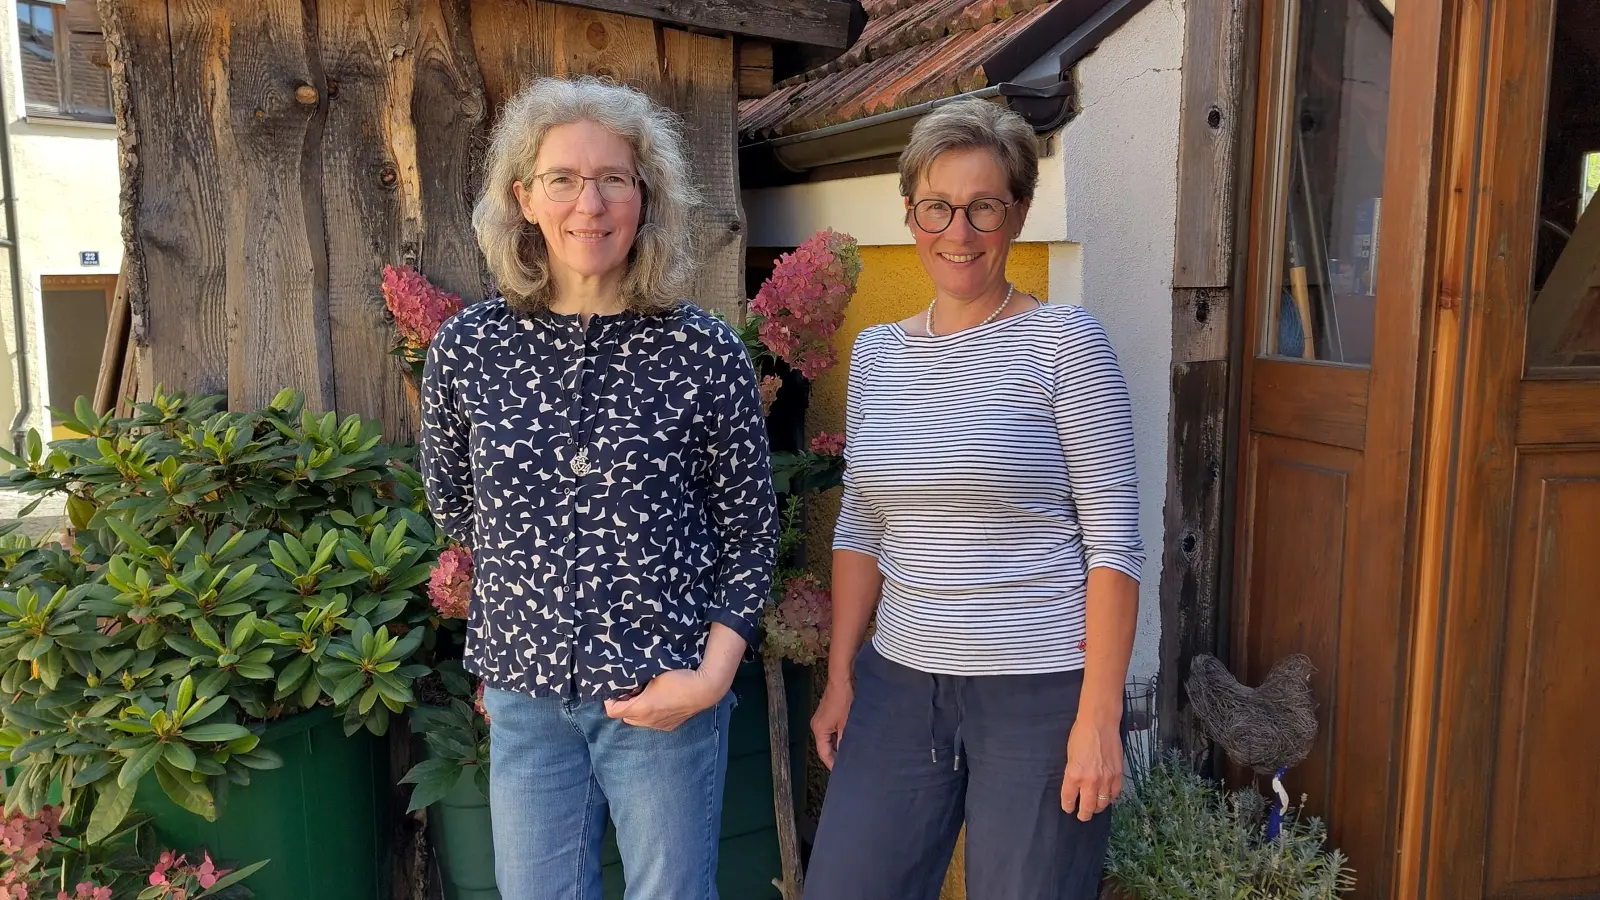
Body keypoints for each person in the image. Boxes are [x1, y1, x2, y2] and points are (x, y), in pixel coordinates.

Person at [419, 76, 778, 900]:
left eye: (614, 178)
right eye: (563, 179)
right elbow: (456, 504)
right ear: (523, 198)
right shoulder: (469, 349)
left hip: (666, 687)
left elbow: (751, 531)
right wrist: (533, 617)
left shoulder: (703, 353)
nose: (590, 204)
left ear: (646, 196)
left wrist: (711, 678)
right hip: (525, 699)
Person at [803, 98, 1143, 900]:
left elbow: (1114, 543)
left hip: (1038, 693)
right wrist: (842, 676)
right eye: (937, 206)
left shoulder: (1066, 344)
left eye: (984, 206)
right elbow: (861, 525)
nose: (959, 231)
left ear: (1018, 213)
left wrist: (1099, 718)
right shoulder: (878, 354)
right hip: (900, 685)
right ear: (910, 215)